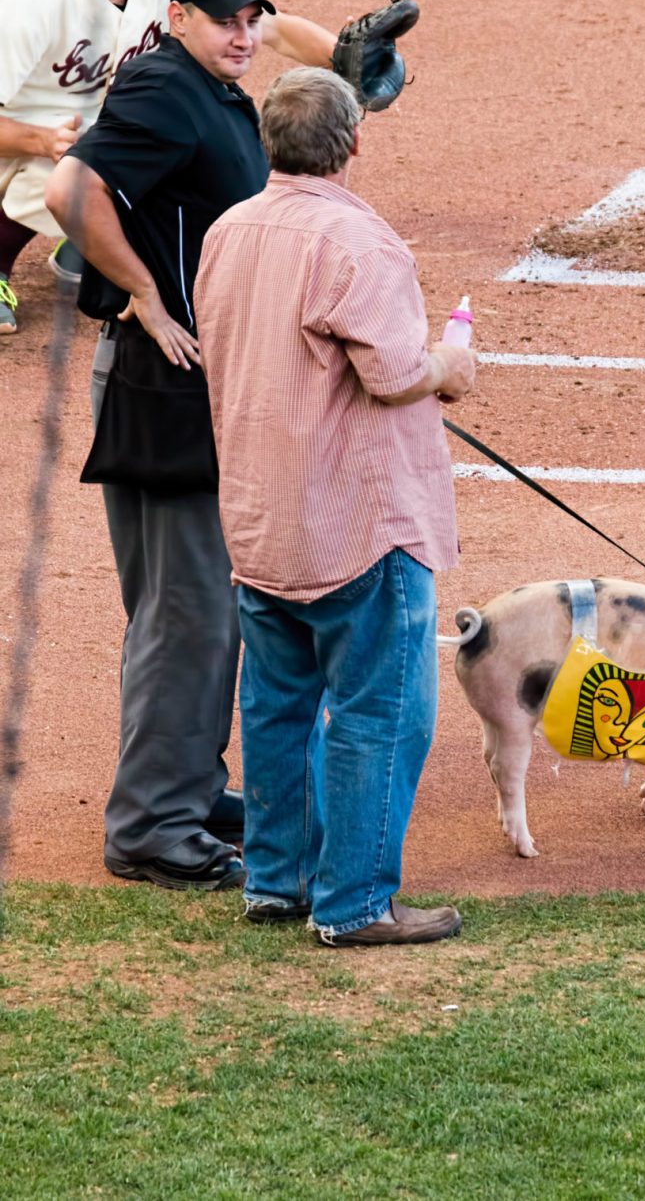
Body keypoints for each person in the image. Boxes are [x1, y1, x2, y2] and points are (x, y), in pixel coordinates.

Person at [45, 0, 340, 890]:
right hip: (168, 389)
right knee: (192, 617)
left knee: (187, 612)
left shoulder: (207, 92)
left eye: (254, 18)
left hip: (178, 388)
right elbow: (71, 190)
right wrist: (145, 296)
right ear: (180, 18)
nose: (244, 34)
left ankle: (185, 788)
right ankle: (152, 827)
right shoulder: (168, 89)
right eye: (225, 19)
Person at [194, 67, 476, 946]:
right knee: (379, 712)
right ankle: (353, 903)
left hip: (260, 516)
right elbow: (394, 376)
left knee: (276, 706)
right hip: (359, 528)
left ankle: (276, 883)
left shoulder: (227, 231)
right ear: (353, 144)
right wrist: (451, 364)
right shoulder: (362, 245)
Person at [0, 0, 336, 333]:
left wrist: (348, 57)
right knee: (85, 153)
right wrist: (42, 140)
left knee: (175, 134)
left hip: (77, 132)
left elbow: (273, 27)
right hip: (19, 139)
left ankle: (91, 241)